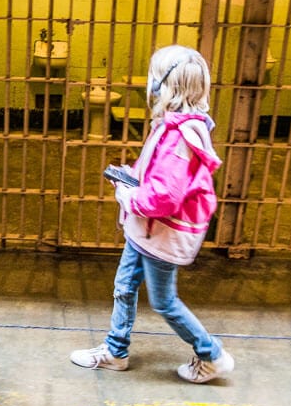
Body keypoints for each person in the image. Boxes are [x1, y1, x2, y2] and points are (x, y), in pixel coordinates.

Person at [70, 45, 234, 383]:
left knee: (164, 301)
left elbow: (164, 197)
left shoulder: (179, 138)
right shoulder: (175, 126)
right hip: (148, 230)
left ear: (164, 86)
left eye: (152, 77)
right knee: (124, 286)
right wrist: (133, 176)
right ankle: (115, 351)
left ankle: (211, 354)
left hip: (161, 231)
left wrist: (129, 195)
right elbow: (159, 178)